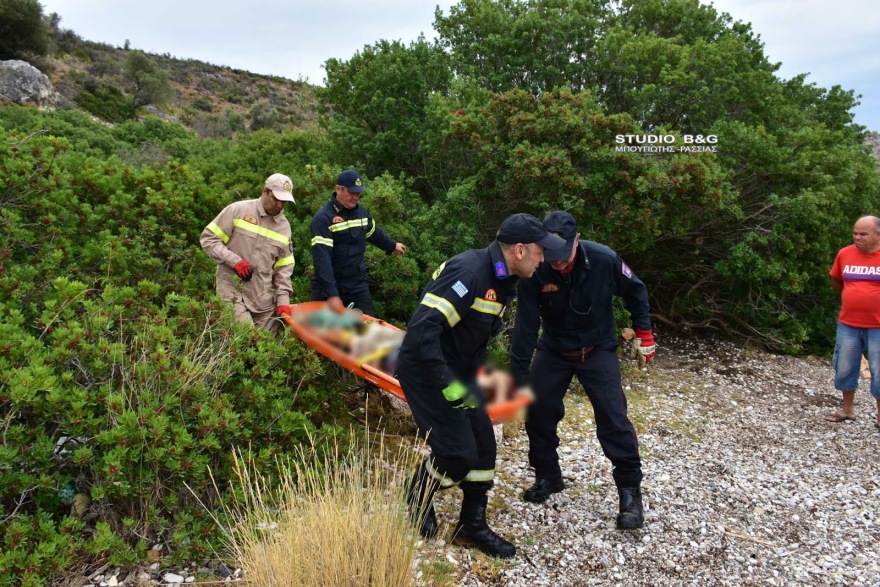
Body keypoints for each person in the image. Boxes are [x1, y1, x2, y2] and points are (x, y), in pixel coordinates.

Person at [398, 213, 566, 559]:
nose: (543, 258)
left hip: (461, 370)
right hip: (427, 371)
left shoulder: (505, 277)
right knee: (457, 453)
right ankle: (417, 492)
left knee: (484, 450)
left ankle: (470, 527)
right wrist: (447, 385)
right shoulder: (470, 274)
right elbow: (420, 334)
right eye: (539, 251)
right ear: (519, 250)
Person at [509, 211, 655, 530]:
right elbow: (525, 325)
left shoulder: (605, 260)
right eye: (552, 256)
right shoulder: (536, 268)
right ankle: (549, 476)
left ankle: (630, 494)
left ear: (577, 240)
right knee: (538, 411)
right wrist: (518, 376)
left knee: (614, 418)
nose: (558, 263)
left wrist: (644, 332)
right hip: (554, 349)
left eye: (564, 256)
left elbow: (637, 291)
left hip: (597, 348)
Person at [200, 173, 296, 335]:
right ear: (264, 191)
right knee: (245, 339)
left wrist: (283, 301)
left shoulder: (284, 227)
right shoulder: (238, 210)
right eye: (276, 198)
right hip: (231, 288)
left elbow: (283, 270)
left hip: (263, 299)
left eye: (284, 201)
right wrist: (235, 262)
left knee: (264, 351)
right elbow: (209, 239)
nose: (280, 205)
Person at [310, 169, 406, 315]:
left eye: (358, 193)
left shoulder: (361, 212)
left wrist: (392, 245)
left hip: (356, 284)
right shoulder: (323, 218)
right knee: (327, 335)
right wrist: (332, 294)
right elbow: (321, 260)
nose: (355, 197)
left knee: (368, 327)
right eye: (351, 193)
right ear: (339, 190)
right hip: (329, 286)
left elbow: (374, 232)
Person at [825, 215, 880, 432]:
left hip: (878, 326)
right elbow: (836, 280)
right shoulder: (845, 254)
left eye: (863, 234)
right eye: (855, 233)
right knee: (844, 367)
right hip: (848, 322)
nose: (857, 237)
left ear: (877, 234)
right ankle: (847, 409)